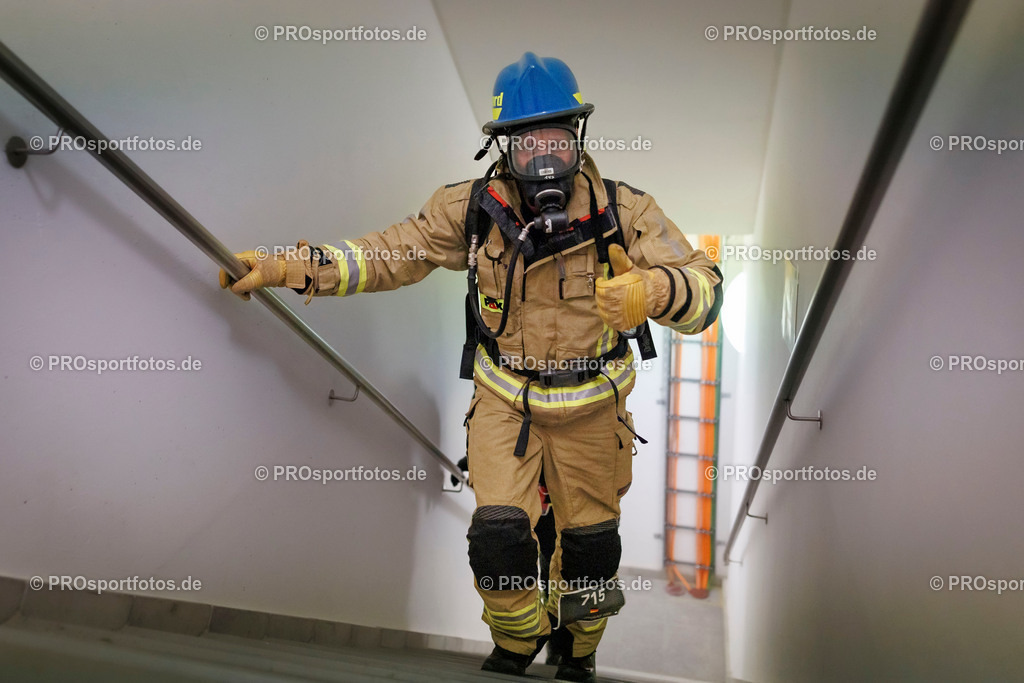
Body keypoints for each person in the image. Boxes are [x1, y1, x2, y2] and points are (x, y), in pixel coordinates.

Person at [220, 52, 722, 683]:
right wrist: (290, 267)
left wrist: (652, 292)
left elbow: (706, 289)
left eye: (557, 142)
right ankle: (518, 639)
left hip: (594, 408)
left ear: (579, 138)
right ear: (502, 148)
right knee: (497, 538)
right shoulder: (472, 210)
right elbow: (386, 255)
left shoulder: (627, 212)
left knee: (592, 551)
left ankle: (580, 644)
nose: (544, 161)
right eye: (526, 144)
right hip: (505, 402)